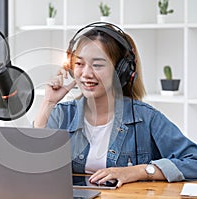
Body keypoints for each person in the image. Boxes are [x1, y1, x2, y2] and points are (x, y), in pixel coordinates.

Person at [34, 22, 197, 188]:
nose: (86, 74)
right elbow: (33, 166)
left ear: (121, 71)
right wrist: (48, 103)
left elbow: (194, 161)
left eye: (97, 65)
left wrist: (138, 171)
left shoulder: (145, 118)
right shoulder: (63, 115)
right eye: (79, 64)